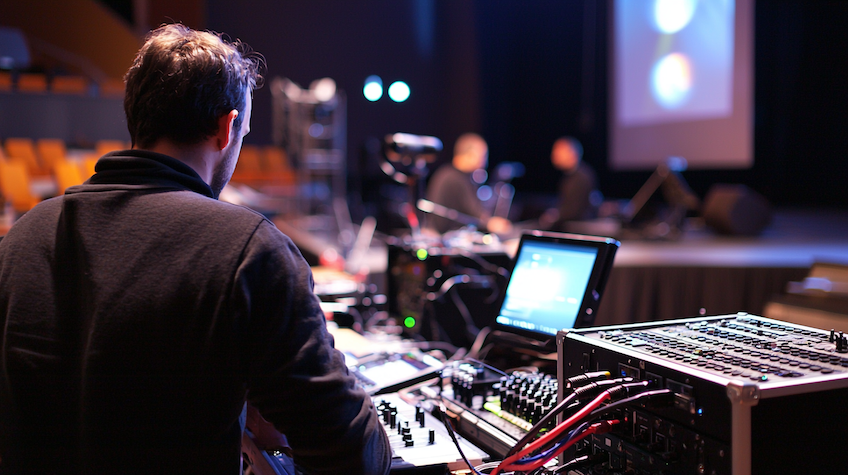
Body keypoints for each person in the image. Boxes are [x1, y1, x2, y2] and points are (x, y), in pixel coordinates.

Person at [0, 24, 390, 475]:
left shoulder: (19, 240)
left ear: (137, 118)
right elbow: (355, 457)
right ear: (227, 129)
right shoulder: (249, 250)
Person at [424, 133, 511, 234]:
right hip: (447, 237)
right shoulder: (455, 178)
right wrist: (491, 223)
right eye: (483, 156)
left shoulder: (446, 173)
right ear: (470, 154)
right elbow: (474, 213)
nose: (484, 162)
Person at [540, 136, 598, 231]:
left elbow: (575, 211)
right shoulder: (570, 176)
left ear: (572, 153)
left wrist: (554, 216)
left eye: (558, 150)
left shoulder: (582, 177)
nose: (554, 154)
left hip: (578, 230)